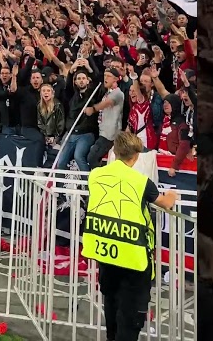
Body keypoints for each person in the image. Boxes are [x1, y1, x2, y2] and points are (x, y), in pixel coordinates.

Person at [81, 130, 177, 341]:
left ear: (114, 151)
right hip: (134, 258)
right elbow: (166, 203)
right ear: (135, 157)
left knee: (112, 309)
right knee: (130, 320)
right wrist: (172, 194)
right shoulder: (140, 181)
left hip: (105, 252)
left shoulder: (95, 175)